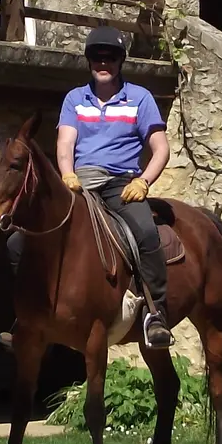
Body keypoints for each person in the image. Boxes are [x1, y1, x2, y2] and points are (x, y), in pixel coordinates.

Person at [59, 26, 175, 348]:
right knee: (22, 240)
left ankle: (156, 315)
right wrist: (68, 174)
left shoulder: (140, 98)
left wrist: (143, 181)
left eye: (110, 57)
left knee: (147, 233)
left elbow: (160, 148)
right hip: (80, 183)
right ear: (89, 61)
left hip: (121, 184)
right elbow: (65, 144)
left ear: (120, 61)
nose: (103, 63)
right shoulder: (74, 99)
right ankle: (30, 314)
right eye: (97, 57)